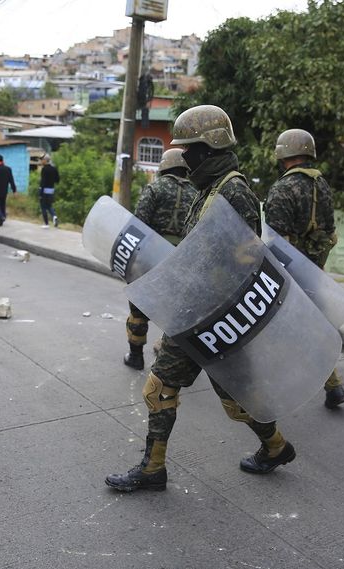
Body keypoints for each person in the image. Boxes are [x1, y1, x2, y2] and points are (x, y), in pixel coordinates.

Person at [106, 105, 296, 493]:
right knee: (223, 394)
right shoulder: (213, 190)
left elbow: (242, 263)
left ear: (210, 148)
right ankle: (273, 446)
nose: (185, 158)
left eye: (190, 150)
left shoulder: (234, 193)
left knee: (182, 390)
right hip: (199, 311)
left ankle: (155, 469)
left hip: (211, 315)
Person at [264, 128, 344, 409]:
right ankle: (333, 384)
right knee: (312, 327)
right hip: (315, 269)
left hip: (289, 273)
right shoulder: (321, 185)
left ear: (283, 153)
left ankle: (278, 389)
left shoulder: (281, 189)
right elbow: (330, 231)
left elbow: (276, 243)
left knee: (281, 328)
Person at [123, 148, 196, 370]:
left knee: (139, 309)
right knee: (175, 311)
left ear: (164, 167)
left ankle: (136, 357)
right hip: (181, 260)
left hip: (151, 259)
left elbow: (139, 224)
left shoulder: (154, 188)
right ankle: (169, 356)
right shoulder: (196, 193)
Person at [38, 154, 60, 228]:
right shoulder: (54, 169)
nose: (41, 161)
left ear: (45, 160)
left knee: (43, 207)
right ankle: (54, 216)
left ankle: (46, 224)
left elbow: (43, 182)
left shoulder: (44, 169)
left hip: (44, 190)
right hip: (51, 190)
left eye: (42, 160)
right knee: (49, 205)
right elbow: (57, 180)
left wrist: (40, 193)